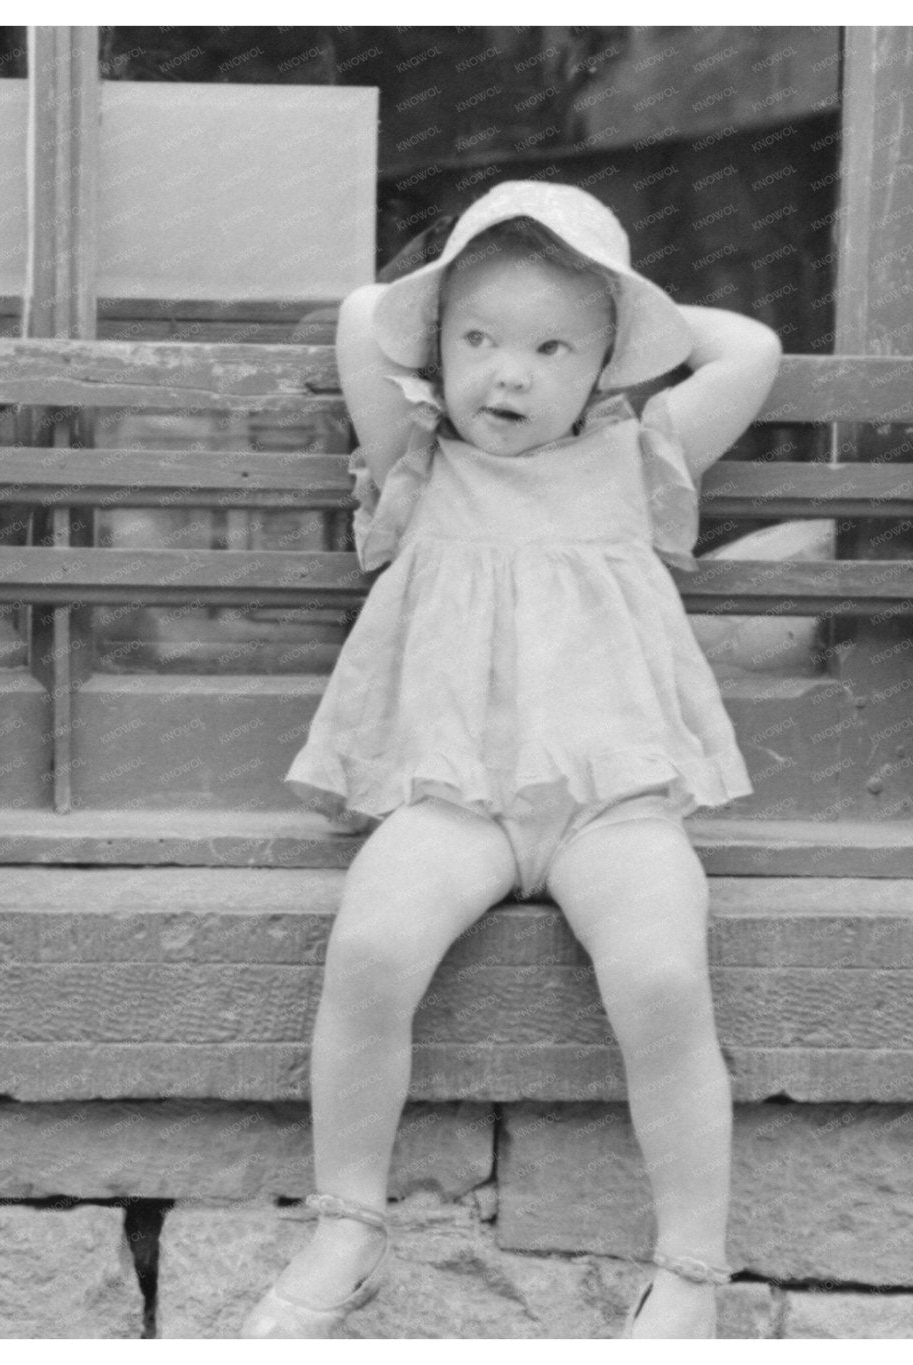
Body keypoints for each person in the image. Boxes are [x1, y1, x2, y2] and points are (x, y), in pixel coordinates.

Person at [241, 182, 782, 1339]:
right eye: (478, 340)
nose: (508, 375)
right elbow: (361, 315)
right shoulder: (415, 457)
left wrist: (625, 313)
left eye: (551, 350)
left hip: (612, 801)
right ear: (437, 345)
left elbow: (750, 348)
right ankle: (347, 1223)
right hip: (455, 796)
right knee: (370, 949)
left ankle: (688, 1274)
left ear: (603, 366)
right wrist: (455, 309)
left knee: (660, 977)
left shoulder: (643, 452)